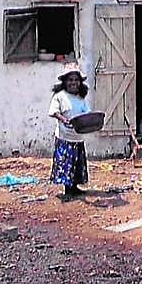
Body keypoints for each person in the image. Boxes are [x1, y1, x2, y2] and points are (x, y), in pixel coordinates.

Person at [49, 63, 90, 201]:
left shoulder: (80, 99)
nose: (73, 83)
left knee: (77, 163)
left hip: (77, 137)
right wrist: (64, 119)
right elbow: (54, 112)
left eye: (76, 80)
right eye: (70, 80)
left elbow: (86, 114)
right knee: (66, 164)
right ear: (65, 82)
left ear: (80, 82)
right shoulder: (60, 96)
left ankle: (75, 187)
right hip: (64, 137)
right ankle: (67, 190)